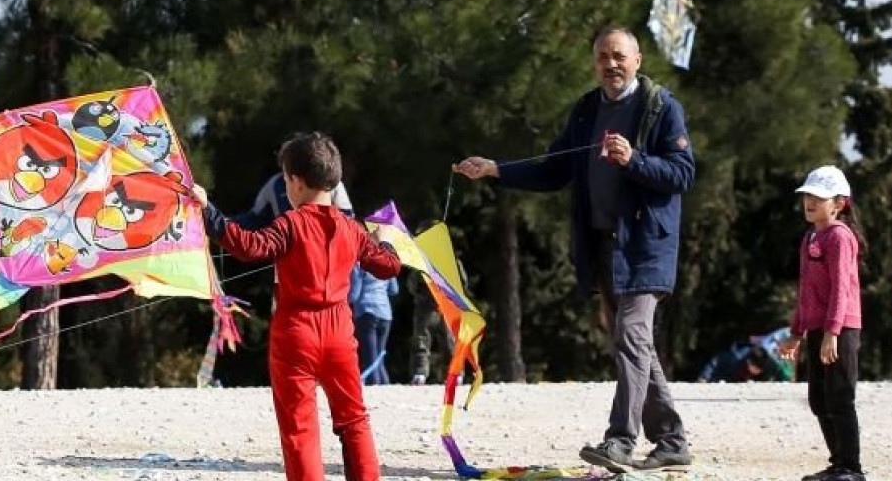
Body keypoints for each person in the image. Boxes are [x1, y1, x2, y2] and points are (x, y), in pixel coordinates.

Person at [453, 27, 694, 473]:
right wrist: (496, 170)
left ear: (638, 59)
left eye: (619, 56)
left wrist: (634, 160)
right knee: (633, 342)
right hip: (602, 247)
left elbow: (682, 173)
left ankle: (620, 442)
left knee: (632, 336)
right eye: (603, 57)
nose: (611, 64)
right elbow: (554, 170)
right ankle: (672, 440)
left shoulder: (661, 107)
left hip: (645, 246)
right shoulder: (586, 109)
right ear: (594, 63)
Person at [196, 132, 402, 481]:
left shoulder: (290, 224)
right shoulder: (351, 229)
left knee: (299, 427)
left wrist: (206, 209)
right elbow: (389, 267)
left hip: (295, 331)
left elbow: (246, 245)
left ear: (294, 181)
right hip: (339, 332)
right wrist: (388, 242)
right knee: (353, 419)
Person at [779, 166, 868, 481]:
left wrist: (833, 332)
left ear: (839, 203)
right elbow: (806, 290)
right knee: (819, 399)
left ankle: (851, 468)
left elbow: (841, 288)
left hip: (840, 328)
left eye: (819, 197)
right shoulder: (810, 237)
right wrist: (795, 333)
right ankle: (838, 463)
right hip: (818, 328)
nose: (810, 202)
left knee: (840, 396)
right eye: (807, 196)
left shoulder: (839, 237)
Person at [350, 266, 397, 385]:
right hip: (385, 313)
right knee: (378, 360)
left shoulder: (359, 265)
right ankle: (385, 391)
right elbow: (394, 290)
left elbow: (354, 295)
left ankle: (374, 391)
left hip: (366, 311)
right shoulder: (386, 262)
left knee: (370, 360)